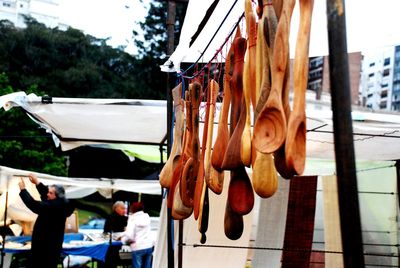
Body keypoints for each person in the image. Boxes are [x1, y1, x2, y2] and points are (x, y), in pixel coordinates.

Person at [18, 173, 74, 268]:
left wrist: (23, 190)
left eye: (50, 193)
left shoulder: (54, 206)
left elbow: (34, 205)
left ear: (57, 196)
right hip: (49, 246)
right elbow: (46, 196)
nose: (47, 194)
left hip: (46, 248)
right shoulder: (59, 203)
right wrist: (37, 183)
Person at [122, 202, 154, 268]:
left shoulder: (132, 219)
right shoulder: (147, 217)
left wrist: (124, 241)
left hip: (138, 246)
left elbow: (129, 236)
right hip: (148, 245)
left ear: (133, 209)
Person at [99, 200, 128, 268]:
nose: (124, 210)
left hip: (120, 245)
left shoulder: (125, 218)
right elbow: (106, 231)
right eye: (122, 208)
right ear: (116, 208)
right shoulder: (111, 217)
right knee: (111, 261)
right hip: (111, 245)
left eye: (125, 208)